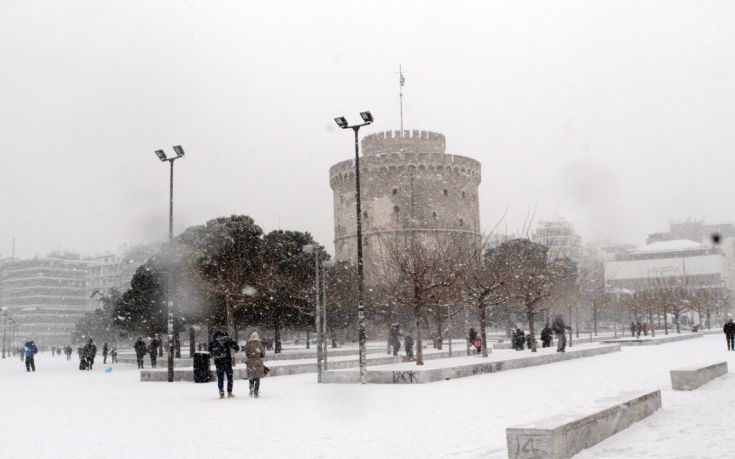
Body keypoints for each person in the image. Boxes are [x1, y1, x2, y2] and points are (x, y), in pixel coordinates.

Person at [208, 330, 240, 399]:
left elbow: (209, 350)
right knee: (229, 377)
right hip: (227, 361)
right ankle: (229, 392)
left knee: (220, 378)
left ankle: (221, 393)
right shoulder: (226, 339)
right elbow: (237, 347)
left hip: (218, 362)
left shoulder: (213, 341)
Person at [245, 332, 266, 399]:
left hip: (250, 362)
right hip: (258, 362)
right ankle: (256, 391)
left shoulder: (248, 343)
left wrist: (251, 356)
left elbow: (247, 353)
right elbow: (263, 353)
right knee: (257, 376)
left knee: (251, 376)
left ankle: (251, 388)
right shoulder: (259, 343)